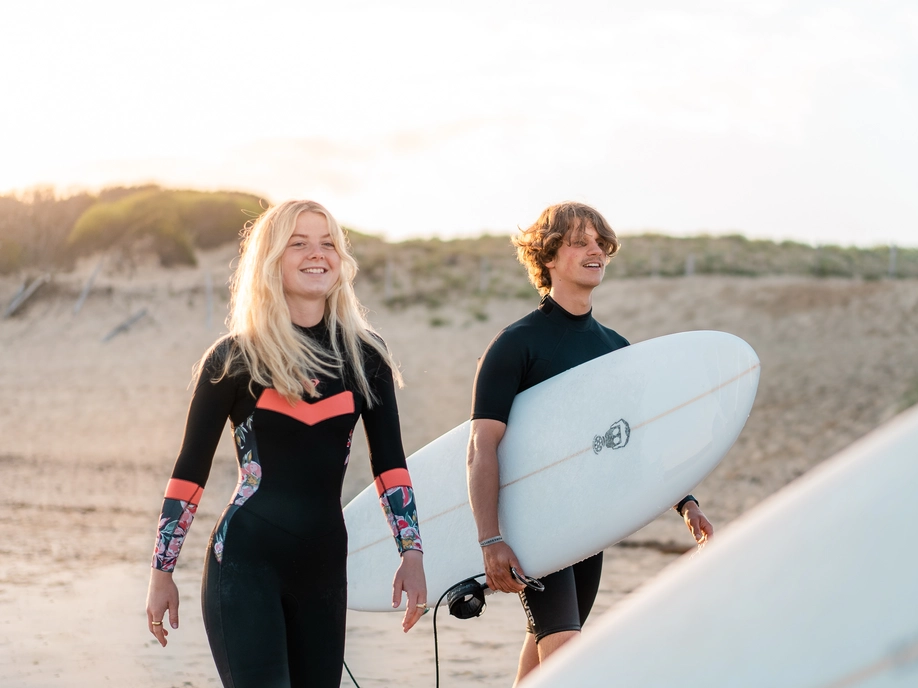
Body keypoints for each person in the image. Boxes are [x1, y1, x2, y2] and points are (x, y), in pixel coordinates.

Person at [144, 200, 427, 687]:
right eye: (299, 243)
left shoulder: (364, 357)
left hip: (321, 565)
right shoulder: (236, 356)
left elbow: (390, 465)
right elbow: (190, 471)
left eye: (328, 244)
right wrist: (161, 570)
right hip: (245, 562)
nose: (316, 254)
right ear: (271, 258)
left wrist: (412, 553)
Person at [466, 201, 714, 685]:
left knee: (545, 659)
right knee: (568, 660)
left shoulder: (616, 349)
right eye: (579, 241)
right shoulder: (517, 345)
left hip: (589, 526)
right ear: (549, 257)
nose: (595, 250)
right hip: (536, 523)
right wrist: (490, 538)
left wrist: (685, 502)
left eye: (600, 242)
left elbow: (636, 443)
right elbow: (482, 446)